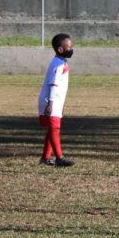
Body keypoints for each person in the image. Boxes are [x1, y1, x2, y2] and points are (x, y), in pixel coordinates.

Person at [38, 33, 76, 167]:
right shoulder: (58, 64)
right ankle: (59, 158)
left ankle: (45, 158)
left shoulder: (60, 62)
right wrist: (51, 104)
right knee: (54, 128)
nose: (71, 49)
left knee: (51, 128)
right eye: (69, 47)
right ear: (60, 49)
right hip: (51, 100)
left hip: (55, 101)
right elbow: (53, 84)